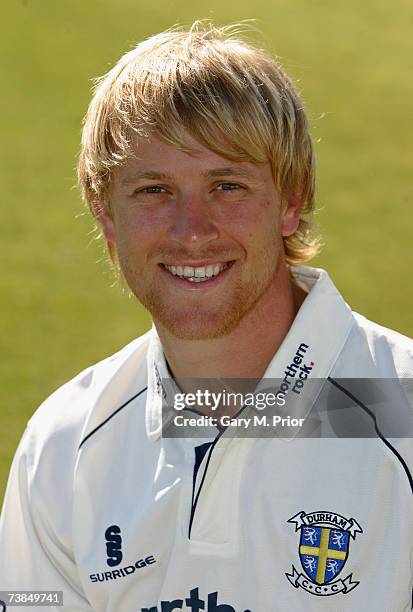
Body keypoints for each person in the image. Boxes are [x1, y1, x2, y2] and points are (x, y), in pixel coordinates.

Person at [0, 22, 412, 612]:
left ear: (291, 201)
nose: (192, 230)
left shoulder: (402, 408)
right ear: (106, 214)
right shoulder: (62, 448)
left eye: (227, 186)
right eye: (154, 191)